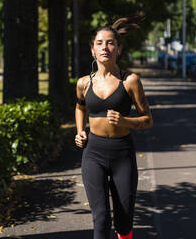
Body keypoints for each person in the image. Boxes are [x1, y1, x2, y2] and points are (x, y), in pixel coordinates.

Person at [74, 13, 153, 239]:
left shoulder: (130, 81)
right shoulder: (83, 83)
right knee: (100, 219)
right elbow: (80, 107)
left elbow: (147, 120)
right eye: (99, 43)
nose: (104, 47)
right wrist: (80, 130)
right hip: (93, 153)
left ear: (118, 49)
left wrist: (125, 120)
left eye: (110, 43)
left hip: (122, 153)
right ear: (92, 50)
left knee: (124, 220)